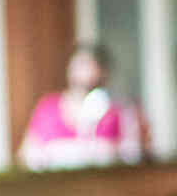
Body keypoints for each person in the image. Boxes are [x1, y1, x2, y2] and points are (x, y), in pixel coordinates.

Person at [19, 42, 149, 169]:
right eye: (80, 65)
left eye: (90, 64)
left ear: (104, 72)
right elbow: (27, 155)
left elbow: (137, 155)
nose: (84, 71)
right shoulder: (47, 108)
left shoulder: (122, 110)